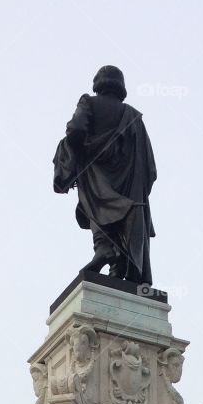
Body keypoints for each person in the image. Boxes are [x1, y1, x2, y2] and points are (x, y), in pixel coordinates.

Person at [53, 66, 157, 286]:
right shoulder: (133, 117)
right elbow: (150, 168)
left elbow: (77, 130)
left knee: (98, 207)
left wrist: (77, 150)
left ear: (98, 83)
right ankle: (116, 262)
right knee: (121, 213)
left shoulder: (88, 102)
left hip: (95, 173)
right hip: (129, 186)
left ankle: (104, 251)